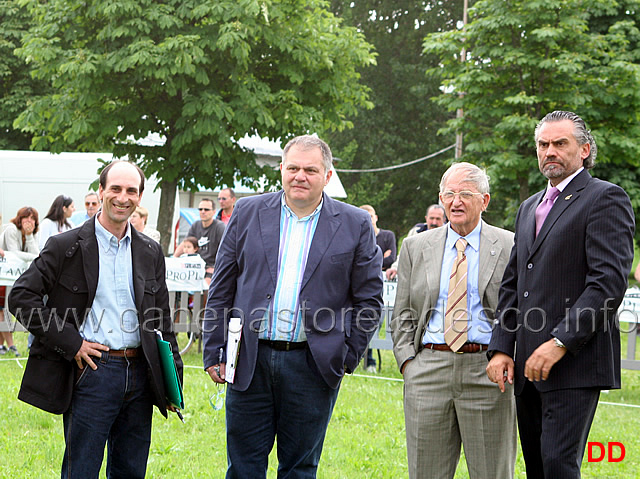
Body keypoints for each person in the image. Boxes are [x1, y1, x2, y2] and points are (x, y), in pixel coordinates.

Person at [202, 135, 383, 478]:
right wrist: (214, 350)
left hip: (312, 365)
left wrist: (346, 355)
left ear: (327, 175)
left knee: (300, 469)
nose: (300, 176)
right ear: (281, 169)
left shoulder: (355, 223)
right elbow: (222, 286)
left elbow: (369, 299)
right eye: (293, 168)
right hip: (249, 361)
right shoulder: (247, 211)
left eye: (311, 170)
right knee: (243, 467)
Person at [9, 161, 183, 479]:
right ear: (101, 191)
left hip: (141, 376)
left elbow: (162, 318)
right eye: (115, 188)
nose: (122, 197)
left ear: (140, 197)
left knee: (131, 472)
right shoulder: (66, 246)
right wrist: (71, 342)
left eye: (131, 190)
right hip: (92, 373)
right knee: (82, 471)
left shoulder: (150, 251)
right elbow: (20, 298)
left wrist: (172, 383)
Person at [486, 111, 634, 479]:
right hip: (526, 368)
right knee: (537, 465)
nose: (549, 151)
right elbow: (512, 285)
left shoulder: (605, 198)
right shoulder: (528, 207)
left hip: (574, 364)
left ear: (584, 150)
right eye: (543, 144)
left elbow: (607, 285)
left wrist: (560, 342)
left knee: (557, 465)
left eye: (559, 143)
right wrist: (503, 346)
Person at [391, 162, 516, 479]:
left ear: (484, 201)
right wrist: (409, 362)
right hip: (428, 371)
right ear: (441, 198)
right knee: (426, 472)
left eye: (465, 193)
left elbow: (520, 311)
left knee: (493, 473)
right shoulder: (416, 246)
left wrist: (507, 355)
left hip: (488, 373)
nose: (456, 201)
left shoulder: (509, 245)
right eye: (449, 193)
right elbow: (403, 311)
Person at [0, 206, 41, 357]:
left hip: (18, 276)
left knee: (7, 309)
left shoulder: (35, 233)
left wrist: (29, 236)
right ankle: (11, 346)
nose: (29, 221)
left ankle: (2, 346)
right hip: (4, 275)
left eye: (32, 219)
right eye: (26, 217)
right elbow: (14, 254)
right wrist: (33, 256)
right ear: (19, 219)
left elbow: (37, 254)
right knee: (3, 309)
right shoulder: (11, 230)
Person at [360, 204, 396, 372]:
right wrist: (381, 255)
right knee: (361, 319)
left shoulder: (388, 235)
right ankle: (366, 359)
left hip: (383, 286)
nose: (369, 219)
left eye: (371, 216)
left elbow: (391, 259)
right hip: (362, 284)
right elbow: (361, 260)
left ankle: (370, 360)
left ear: (376, 217)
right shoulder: (358, 236)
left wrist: (374, 258)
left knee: (377, 320)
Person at [386, 204, 446, 280]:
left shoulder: (448, 235)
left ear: (444, 220)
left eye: (438, 219)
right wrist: (394, 268)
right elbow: (404, 254)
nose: (434, 222)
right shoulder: (415, 231)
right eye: (431, 218)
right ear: (426, 218)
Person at [173, 198, 225, 285]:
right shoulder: (195, 225)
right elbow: (185, 243)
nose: (203, 212)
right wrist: (174, 259)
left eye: (206, 209)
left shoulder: (219, 227)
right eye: (200, 209)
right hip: (194, 266)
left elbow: (225, 250)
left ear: (214, 212)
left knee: (206, 285)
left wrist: (216, 268)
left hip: (211, 267)